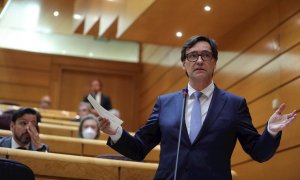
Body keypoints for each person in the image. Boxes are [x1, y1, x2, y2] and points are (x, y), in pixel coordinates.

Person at [99, 35, 297, 179]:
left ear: (214, 62)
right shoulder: (165, 103)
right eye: (192, 56)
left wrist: (270, 131)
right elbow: (139, 149)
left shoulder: (234, 105)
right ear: (184, 64)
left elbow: (259, 153)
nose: (199, 60)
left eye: (206, 55)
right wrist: (115, 131)